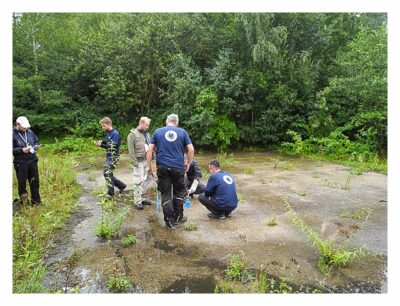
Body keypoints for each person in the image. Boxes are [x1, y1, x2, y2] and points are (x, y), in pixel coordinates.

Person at [146, 114, 194, 229]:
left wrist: (149, 166)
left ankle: (170, 223)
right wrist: (188, 162)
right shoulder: (182, 132)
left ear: (166, 121)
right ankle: (178, 218)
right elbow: (191, 149)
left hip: (162, 167)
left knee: (166, 194)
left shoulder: (158, 131)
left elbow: (149, 150)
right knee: (178, 192)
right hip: (178, 167)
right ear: (176, 122)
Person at [12, 116, 43, 206]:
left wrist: (36, 146)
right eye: (23, 126)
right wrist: (21, 150)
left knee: (35, 181)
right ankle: (24, 204)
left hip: (32, 160)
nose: (25, 128)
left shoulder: (30, 132)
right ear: (17, 124)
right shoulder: (11, 134)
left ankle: (36, 202)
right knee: (22, 183)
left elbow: (36, 141)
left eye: (26, 126)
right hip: (20, 163)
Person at [94, 117, 126, 197]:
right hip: (109, 156)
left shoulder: (115, 133)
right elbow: (108, 142)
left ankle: (110, 193)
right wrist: (102, 142)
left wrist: (101, 145)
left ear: (108, 124)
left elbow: (113, 146)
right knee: (108, 174)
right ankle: (121, 186)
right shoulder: (109, 132)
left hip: (113, 157)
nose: (102, 128)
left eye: (103, 126)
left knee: (107, 174)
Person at [127, 116, 154, 210]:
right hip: (138, 162)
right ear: (141, 123)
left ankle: (141, 197)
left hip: (147, 161)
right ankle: (137, 201)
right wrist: (135, 163)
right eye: (146, 125)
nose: (147, 127)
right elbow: (131, 151)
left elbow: (150, 147)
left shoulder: (147, 134)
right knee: (138, 181)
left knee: (149, 178)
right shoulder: (132, 134)